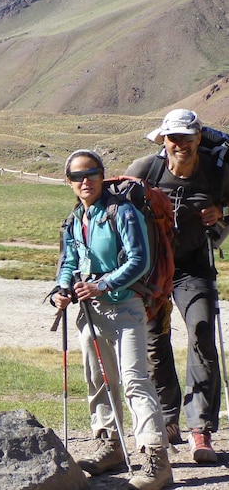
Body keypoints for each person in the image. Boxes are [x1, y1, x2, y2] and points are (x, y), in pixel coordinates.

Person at [54, 150, 172, 489]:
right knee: (98, 378)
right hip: (91, 312)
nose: (85, 180)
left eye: (91, 173)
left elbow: (139, 260)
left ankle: (156, 460)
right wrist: (62, 289)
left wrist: (102, 284)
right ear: (70, 183)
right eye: (77, 176)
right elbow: (69, 262)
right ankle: (111, 445)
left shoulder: (123, 212)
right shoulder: (76, 218)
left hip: (126, 308)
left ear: (103, 176)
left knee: (135, 379)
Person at [126, 108, 229, 463]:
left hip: (194, 267)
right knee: (154, 341)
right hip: (152, 270)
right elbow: (115, 211)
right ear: (163, 140)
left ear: (199, 137)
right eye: (174, 138)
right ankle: (168, 420)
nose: (181, 144)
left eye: (188, 137)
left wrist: (221, 215)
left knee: (201, 333)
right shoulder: (145, 170)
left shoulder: (217, 172)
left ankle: (200, 429)